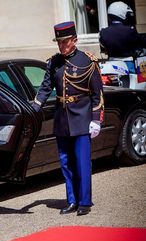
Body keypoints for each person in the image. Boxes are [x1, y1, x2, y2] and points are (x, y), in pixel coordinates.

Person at [32, 21, 104, 216]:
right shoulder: (54, 62)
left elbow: (97, 94)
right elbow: (46, 87)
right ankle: (71, 200)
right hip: (62, 119)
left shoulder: (87, 61)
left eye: (65, 42)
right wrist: (36, 105)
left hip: (82, 118)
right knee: (66, 163)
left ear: (75, 40)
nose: (61, 46)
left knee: (82, 162)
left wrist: (96, 119)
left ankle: (84, 202)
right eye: (59, 43)